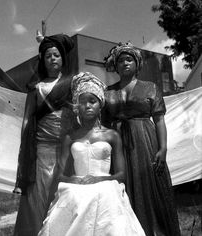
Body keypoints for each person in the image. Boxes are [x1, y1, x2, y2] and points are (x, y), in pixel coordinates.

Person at [38, 72, 146, 236]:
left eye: (92, 101)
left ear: (100, 104)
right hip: (78, 184)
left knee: (105, 193)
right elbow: (60, 174)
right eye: (82, 102)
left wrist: (100, 179)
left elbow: (122, 174)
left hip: (105, 182)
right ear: (76, 107)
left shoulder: (112, 135)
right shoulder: (70, 137)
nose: (87, 106)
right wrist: (72, 179)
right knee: (73, 195)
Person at [102, 42, 181, 236]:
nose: (125, 63)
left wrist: (163, 149)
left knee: (150, 183)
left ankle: (156, 231)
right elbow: (103, 124)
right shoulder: (107, 92)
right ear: (115, 66)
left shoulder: (150, 87)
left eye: (129, 59)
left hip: (146, 141)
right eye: (120, 61)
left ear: (137, 64)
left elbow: (160, 120)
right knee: (124, 185)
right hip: (118, 145)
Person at [13, 34, 75, 236]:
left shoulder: (71, 83)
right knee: (39, 194)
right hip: (41, 149)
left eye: (56, 55)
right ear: (43, 60)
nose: (53, 59)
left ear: (63, 58)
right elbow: (27, 118)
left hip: (66, 147)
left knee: (63, 191)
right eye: (48, 56)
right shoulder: (36, 87)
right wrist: (25, 141)